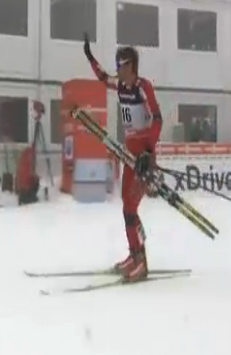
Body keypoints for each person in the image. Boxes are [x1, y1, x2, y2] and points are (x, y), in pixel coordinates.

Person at [81, 34, 163, 282]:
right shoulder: (122, 86)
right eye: (116, 64)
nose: (117, 68)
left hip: (142, 157)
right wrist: (89, 57)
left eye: (121, 64)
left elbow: (157, 118)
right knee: (126, 206)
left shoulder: (142, 87)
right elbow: (103, 78)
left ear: (131, 66)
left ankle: (142, 262)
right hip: (130, 156)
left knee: (130, 207)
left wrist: (148, 152)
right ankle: (134, 254)